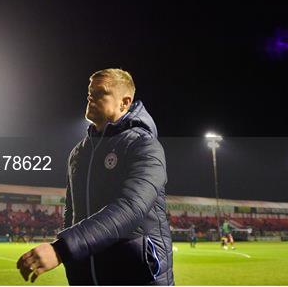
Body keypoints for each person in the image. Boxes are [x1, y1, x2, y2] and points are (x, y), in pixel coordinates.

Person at [17, 68, 174, 285]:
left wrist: (62, 249)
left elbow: (131, 207)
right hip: (86, 278)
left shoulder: (144, 145)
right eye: (90, 92)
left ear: (124, 102)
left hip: (137, 276)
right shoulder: (78, 153)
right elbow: (72, 213)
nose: (91, 97)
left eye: (101, 93)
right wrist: (73, 264)